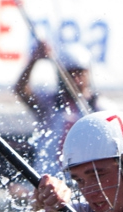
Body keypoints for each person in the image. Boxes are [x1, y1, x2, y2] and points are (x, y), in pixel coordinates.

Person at [14, 41, 113, 177]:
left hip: (83, 181)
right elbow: (21, 90)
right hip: (50, 178)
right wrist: (34, 60)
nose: (76, 80)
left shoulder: (101, 107)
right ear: (61, 75)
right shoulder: (49, 103)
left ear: (88, 73)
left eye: (80, 73)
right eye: (71, 74)